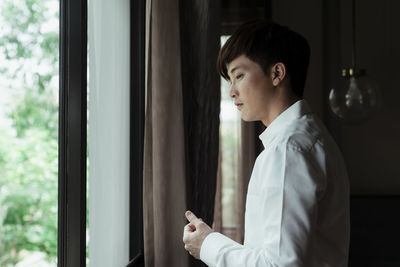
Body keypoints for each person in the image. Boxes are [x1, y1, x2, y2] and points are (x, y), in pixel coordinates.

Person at [182, 19, 350, 267]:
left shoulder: (288, 149)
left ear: (277, 73)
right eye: (230, 79)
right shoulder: (311, 137)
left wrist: (207, 245)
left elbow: (279, 264)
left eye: (239, 75)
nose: (232, 91)